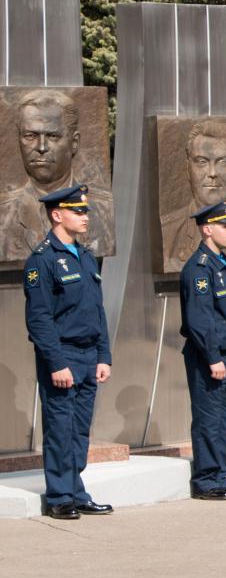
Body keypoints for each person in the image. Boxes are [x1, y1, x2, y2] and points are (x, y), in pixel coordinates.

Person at [22, 185, 113, 519]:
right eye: (77, 211)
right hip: (63, 356)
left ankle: (76, 489)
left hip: (89, 356)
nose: (84, 217)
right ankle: (60, 496)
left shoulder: (85, 256)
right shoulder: (43, 260)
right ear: (57, 215)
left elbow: (96, 311)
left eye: (85, 211)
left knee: (79, 428)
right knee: (60, 428)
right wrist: (56, 363)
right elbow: (40, 319)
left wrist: (104, 355)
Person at [179, 202, 226, 500]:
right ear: (208, 229)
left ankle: (222, 474)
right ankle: (207, 479)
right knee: (209, 419)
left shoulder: (224, 265)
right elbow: (200, 319)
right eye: (225, 226)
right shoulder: (198, 269)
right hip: (210, 358)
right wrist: (213, 357)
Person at [1, 89, 114, 261]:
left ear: (74, 143)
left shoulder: (103, 208)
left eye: (53, 136)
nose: (41, 147)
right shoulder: (4, 213)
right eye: (30, 136)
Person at [161, 119, 226, 272]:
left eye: (222, 162)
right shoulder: (168, 233)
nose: (212, 173)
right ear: (188, 169)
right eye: (202, 162)